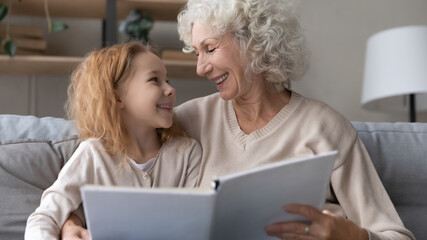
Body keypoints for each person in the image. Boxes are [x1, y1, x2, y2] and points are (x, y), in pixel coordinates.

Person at [61, 0, 416, 239]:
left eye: (210, 49)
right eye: (197, 52)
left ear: (256, 42)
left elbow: (395, 234)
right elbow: (108, 161)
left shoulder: (325, 128)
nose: (200, 67)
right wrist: (69, 222)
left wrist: (351, 236)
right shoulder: (188, 119)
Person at [25, 42, 202, 239]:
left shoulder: (187, 154)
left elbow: (194, 226)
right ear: (117, 98)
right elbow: (45, 217)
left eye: (167, 80)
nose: (170, 89)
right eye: (155, 80)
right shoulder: (93, 153)